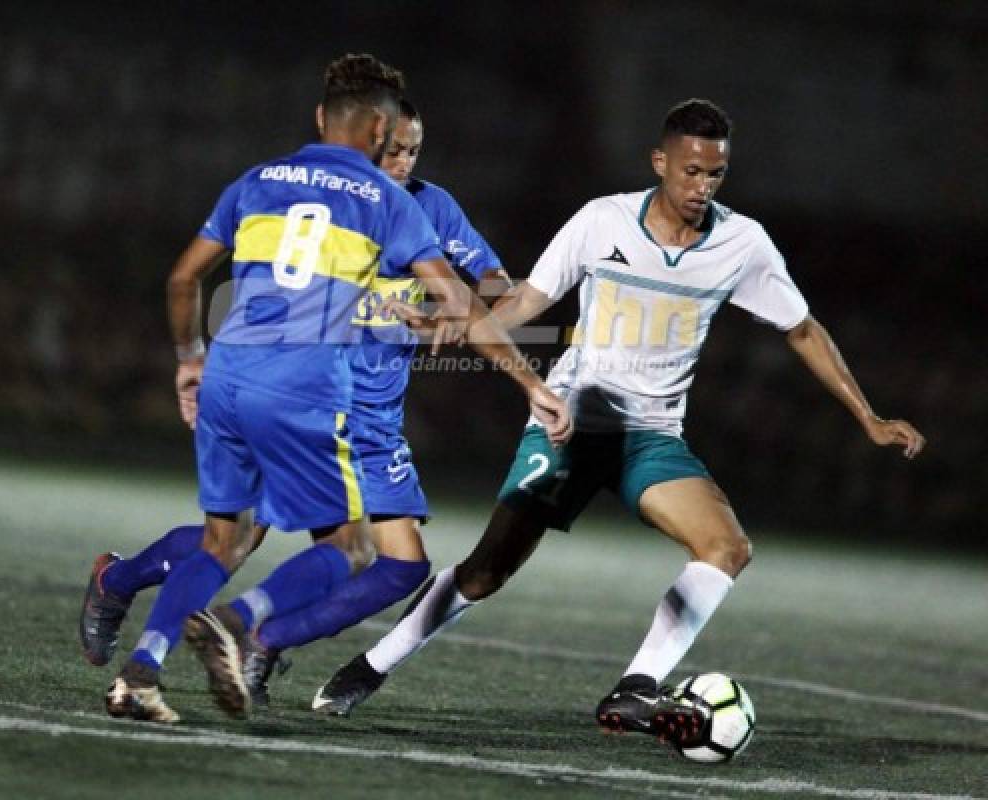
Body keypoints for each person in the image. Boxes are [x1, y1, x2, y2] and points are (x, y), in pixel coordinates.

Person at [311, 98, 926, 749]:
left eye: (715, 174)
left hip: (652, 437)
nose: (702, 187)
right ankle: (368, 667)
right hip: (568, 424)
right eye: (691, 171)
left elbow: (801, 327)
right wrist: (447, 325)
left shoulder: (742, 244)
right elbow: (526, 299)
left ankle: (635, 689)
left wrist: (869, 417)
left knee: (727, 548)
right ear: (660, 162)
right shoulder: (603, 220)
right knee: (487, 571)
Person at [95, 53, 569, 723]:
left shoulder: (395, 201)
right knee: (304, 546)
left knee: (362, 561)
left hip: (317, 398)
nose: (402, 162)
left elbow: (490, 290)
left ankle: (173, 633)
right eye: (395, 147)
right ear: (374, 133)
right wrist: (521, 376)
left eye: (414, 152)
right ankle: (223, 623)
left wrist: (190, 358)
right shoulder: (367, 206)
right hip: (319, 398)